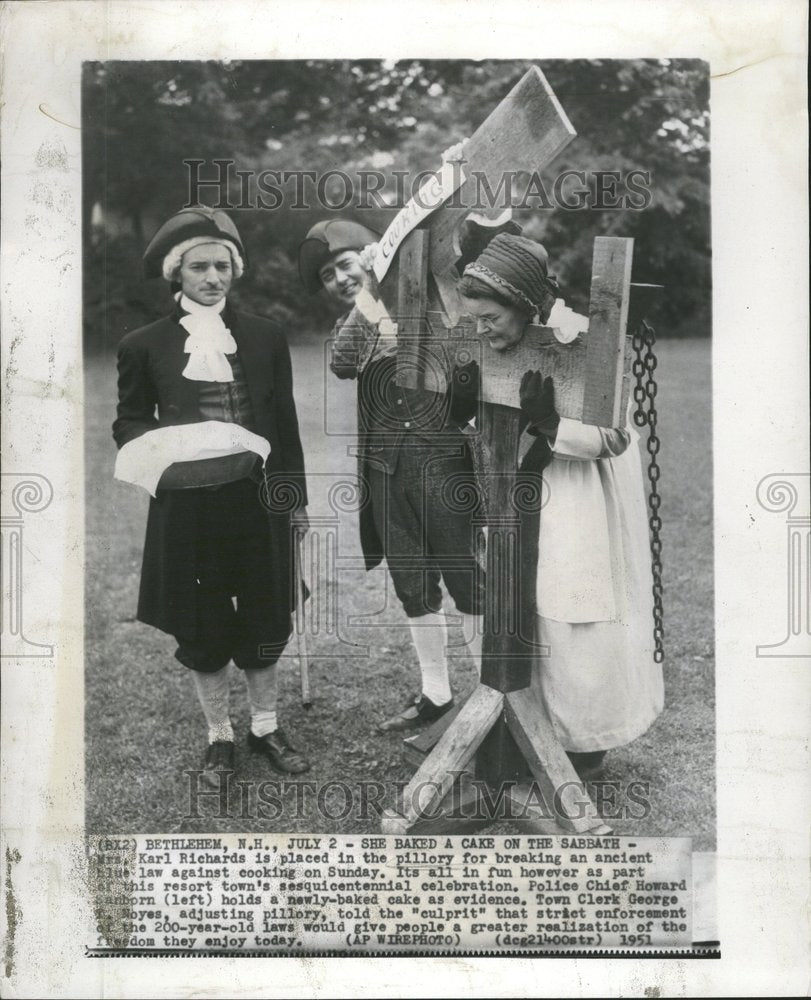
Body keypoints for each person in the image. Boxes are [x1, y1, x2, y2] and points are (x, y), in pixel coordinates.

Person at [113, 206, 310, 781]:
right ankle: (219, 736)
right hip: (188, 502)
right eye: (199, 266)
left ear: (234, 269)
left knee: (266, 611)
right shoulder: (142, 344)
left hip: (258, 498)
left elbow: (285, 423)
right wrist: (164, 450)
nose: (212, 277)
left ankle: (266, 727)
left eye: (222, 265)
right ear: (177, 273)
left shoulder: (266, 336)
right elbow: (128, 421)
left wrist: (294, 498)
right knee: (199, 622)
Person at [457, 233, 664, 776]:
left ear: (526, 307)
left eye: (490, 318)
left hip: (575, 502)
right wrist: (463, 410)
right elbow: (484, 426)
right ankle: (519, 729)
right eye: (472, 318)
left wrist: (554, 423)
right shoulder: (484, 347)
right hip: (512, 499)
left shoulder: (579, 341)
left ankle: (583, 743)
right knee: (515, 610)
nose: (480, 329)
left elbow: (616, 438)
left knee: (570, 619)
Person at [298, 219, 486, 732]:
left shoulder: (423, 304)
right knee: (412, 583)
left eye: (345, 263)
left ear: (371, 254)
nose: (339, 278)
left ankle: (495, 695)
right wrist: (368, 299)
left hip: (443, 462)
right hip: (385, 469)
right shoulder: (354, 323)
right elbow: (342, 362)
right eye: (327, 275)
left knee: (467, 576)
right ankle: (436, 692)